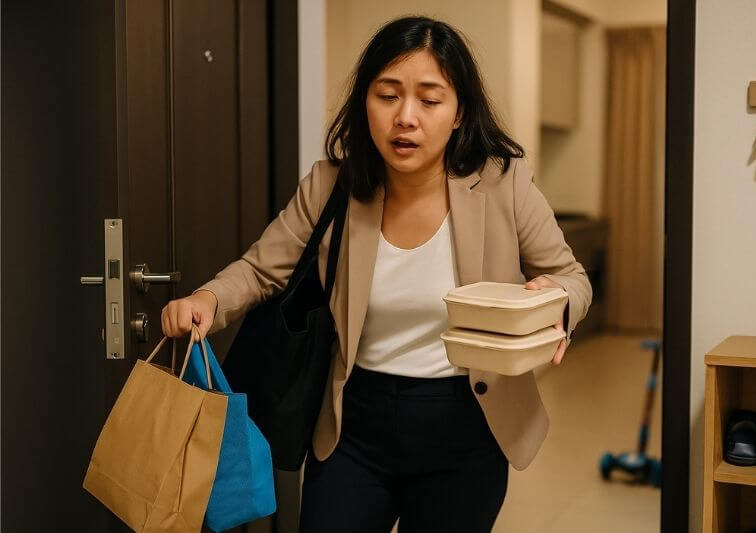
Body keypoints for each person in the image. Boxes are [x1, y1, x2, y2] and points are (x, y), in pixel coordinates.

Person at [162, 15, 591, 533]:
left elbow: (571, 277)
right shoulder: (330, 187)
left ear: (458, 113)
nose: (405, 117)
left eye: (430, 100)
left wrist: (558, 303)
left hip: (468, 423)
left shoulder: (502, 185)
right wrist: (208, 298)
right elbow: (258, 270)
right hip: (352, 426)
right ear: (365, 102)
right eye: (387, 95)